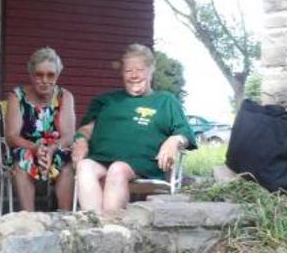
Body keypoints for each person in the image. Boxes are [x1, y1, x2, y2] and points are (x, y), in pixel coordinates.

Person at [71, 43, 195, 213]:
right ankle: (95, 226)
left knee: (117, 169)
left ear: (151, 70)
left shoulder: (166, 101)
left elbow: (185, 133)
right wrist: (80, 140)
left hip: (140, 166)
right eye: (128, 71)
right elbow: (86, 130)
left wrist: (174, 140)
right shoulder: (106, 100)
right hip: (101, 160)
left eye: (140, 70)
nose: (134, 76)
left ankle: (111, 226)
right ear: (122, 74)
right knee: (84, 166)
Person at [3, 47, 76, 211]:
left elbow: (69, 135)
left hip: (56, 146)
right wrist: (35, 148)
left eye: (50, 75)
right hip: (26, 146)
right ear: (31, 74)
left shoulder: (65, 97)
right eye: (39, 74)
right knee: (22, 160)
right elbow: (12, 136)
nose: (44, 80)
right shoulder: (17, 96)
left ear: (57, 75)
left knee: (67, 161)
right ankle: (29, 219)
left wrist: (51, 149)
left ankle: (64, 218)